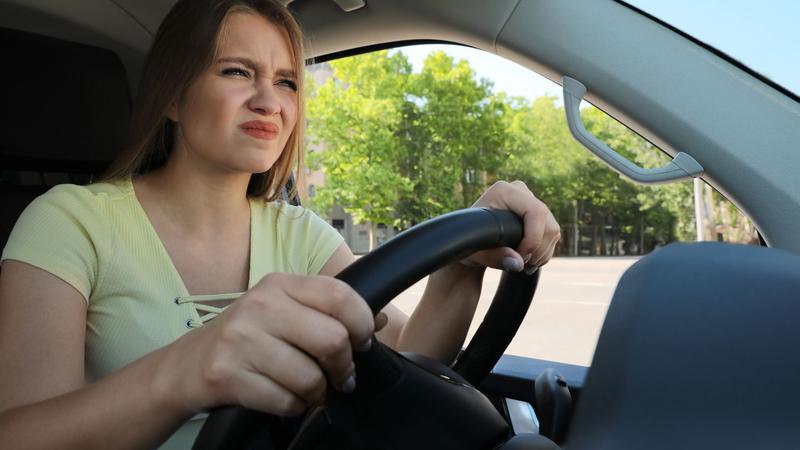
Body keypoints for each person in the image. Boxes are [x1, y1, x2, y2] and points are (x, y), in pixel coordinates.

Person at [0, 0, 560, 448]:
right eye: (238, 72)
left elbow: (409, 358)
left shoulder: (300, 234)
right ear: (173, 94)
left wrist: (459, 266)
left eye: (288, 82)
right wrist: (184, 370)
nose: (270, 101)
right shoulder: (68, 221)